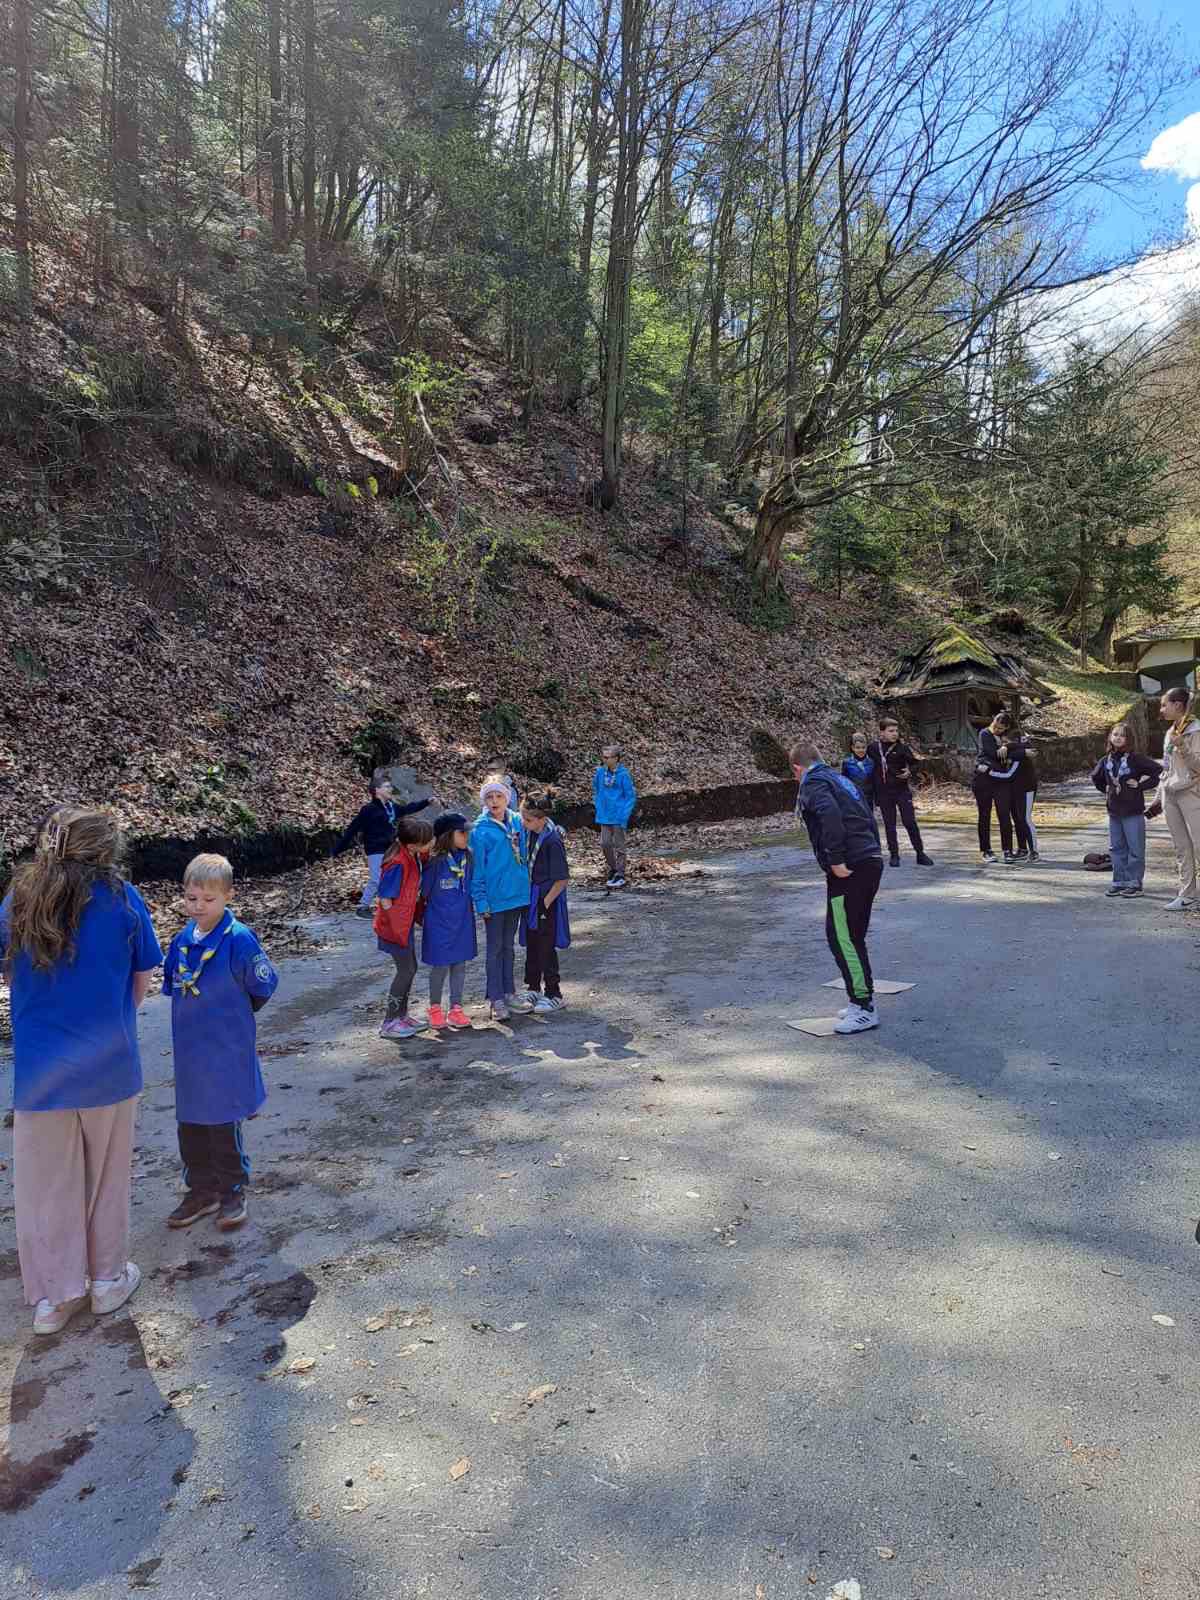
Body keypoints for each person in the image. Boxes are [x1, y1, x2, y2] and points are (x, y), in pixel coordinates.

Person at [0, 807, 160, 1335]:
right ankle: (107, 1280)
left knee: (47, 1188)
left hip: (41, 1075)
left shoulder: (19, 901)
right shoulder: (122, 899)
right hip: (110, 1067)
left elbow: (8, 971)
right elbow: (141, 980)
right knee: (107, 1179)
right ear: (105, 850)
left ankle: (54, 1297)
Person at [161, 854, 279, 1231]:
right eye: (191, 898)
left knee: (222, 1122)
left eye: (208, 900)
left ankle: (232, 1189)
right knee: (191, 1123)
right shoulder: (181, 941)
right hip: (190, 1051)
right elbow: (172, 986)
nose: (198, 907)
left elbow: (263, 985)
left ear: (229, 896)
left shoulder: (239, 940)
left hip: (226, 1048)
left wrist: (235, 1017)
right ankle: (201, 1189)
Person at [791, 740, 885, 1035]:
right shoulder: (841, 780)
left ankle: (863, 1006)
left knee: (842, 937)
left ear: (797, 768)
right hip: (868, 859)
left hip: (850, 866)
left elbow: (829, 815)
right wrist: (874, 851)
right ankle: (860, 1000)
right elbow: (868, 815)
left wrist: (836, 859)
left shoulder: (812, 783)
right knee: (852, 935)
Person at [470, 778, 533, 1022]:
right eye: (489, 797)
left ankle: (509, 993)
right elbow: (477, 870)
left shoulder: (518, 821)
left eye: (499, 796)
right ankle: (495, 999)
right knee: (495, 949)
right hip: (494, 900)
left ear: (507, 798)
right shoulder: (479, 830)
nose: (494, 801)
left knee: (509, 947)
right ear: (484, 801)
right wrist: (481, 901)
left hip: (517, 896)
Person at [332, 772, 430, 919]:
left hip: (390, 848)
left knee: (396, 875)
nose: (390, 789)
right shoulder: (369, 809)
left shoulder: (391, 807)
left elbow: (408, 808)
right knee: (377, 878)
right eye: (387, 787)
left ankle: (395, 904)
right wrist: (338, 849)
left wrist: (427, 802)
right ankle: (362, 907)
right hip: (375, 848)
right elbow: (353, 829)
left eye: (390, 786)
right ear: (377, 790)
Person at [374, 818, 435, 1038]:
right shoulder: (397, 862)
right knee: (405, 970)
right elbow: (385, 898)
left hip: (404, 925)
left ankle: (402, 1015)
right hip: (394, 928)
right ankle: (390, 1022)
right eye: (428, 841)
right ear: (412, 845)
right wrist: (396, 924)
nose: (432, 842)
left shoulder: (412, 855)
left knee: (410, 968)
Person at [419, 812, 476, 1030]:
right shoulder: (436, 862)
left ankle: (456, 1008)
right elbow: (424, 892)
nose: (466, 836)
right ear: (447, 835)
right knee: (440, 966)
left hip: (462, 922)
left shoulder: (468, 857)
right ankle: (435, 1009)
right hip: (439, 924)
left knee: (459, 965)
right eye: (462, 832)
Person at [1089, 723, 1161, 899]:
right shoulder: (1105, 760)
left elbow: (1158, 771)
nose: (1118, 738)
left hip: (1133, 811)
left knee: (1135, 848)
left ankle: (1134, 883)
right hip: (1114, 811)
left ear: (1129, 739)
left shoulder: (1135, 759)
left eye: (1122, 735)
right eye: (1115, 734)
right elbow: (1095, 777)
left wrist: (1140, 785)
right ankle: (1119, 881)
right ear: (1110, 737)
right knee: (1116, 848)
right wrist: (1105, 788)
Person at [1148, 687, 1200, 910]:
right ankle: (1187, 895)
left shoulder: (1195, 730)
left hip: (1192, 794)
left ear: (1177, 705)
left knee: (1199, 845)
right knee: (1181, 847)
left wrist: (1183, 746)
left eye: (1164, 705)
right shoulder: (1170, 732)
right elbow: (1167, 767)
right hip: (1170, 795)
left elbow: (1198, 766)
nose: (1161, 709)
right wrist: (1158, 796)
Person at [519, 797, 571, 1014]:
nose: (523, 823)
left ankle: (553, 993)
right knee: (532, 943)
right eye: (522, 817)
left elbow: (562, 879)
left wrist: (545, 903)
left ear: (542, 819)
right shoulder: (531, 833)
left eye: (528, 820)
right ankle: (533, 987)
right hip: (531, 896)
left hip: (546, 899)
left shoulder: (552, 841)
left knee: (546, 945)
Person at [866, 719, 933, 868]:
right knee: (889, 824)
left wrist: (910, 771)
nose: (894, 734)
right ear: (881, 732)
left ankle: (920, 853)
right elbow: (862, 760)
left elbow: (916, 764)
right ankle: (894, 855)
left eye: (896, 731)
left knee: (910, 822)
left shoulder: (902, 748)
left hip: (902, 791)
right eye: (891, 731)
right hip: (884, 792)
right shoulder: (873, 748)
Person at [974, 711, 1023, 863]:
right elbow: (992, 754)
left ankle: (1007, 850)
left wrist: (1007, 746)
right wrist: (1010, 752)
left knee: (1004, 814)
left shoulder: (1008, 736)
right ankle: (986, 850)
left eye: (1000, 728)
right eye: (995, 726)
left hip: (1001, 780)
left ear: (1006, 728)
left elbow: (1022, 745)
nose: (996, 730)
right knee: (984, 815)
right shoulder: (984, 733)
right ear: (993, 720)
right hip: (983, 779)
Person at [593, 744, 637, 888]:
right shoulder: (600, 773)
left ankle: (620, 874)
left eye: (608, 757)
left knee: (619, 846)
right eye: (603, 757)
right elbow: (596, 789)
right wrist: (599, 806)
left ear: (616, 758)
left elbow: (630, 796)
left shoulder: (623, 774)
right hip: (605, 815)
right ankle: (613, 868)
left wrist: (624, 815)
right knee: (605, 843)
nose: (605, 759)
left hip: (618, 815)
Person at [1012, 726, 1040, 861]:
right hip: (1015, 788)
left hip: (1027, 787)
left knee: (1025, 818)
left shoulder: (1024, 746)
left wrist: (1009, 747)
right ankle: (1023, 849)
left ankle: (1034, 851)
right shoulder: (1016, 749)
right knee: (1018, 819)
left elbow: (1031, 749)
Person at [841, 732, 876, 802]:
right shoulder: (847, 763)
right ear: (852, 748)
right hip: (854, 797)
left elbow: (875, 781)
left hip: (869, 797)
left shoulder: (872, 762)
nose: (861, 750)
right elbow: (844, 780)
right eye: (857, 748)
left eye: (863, 747)